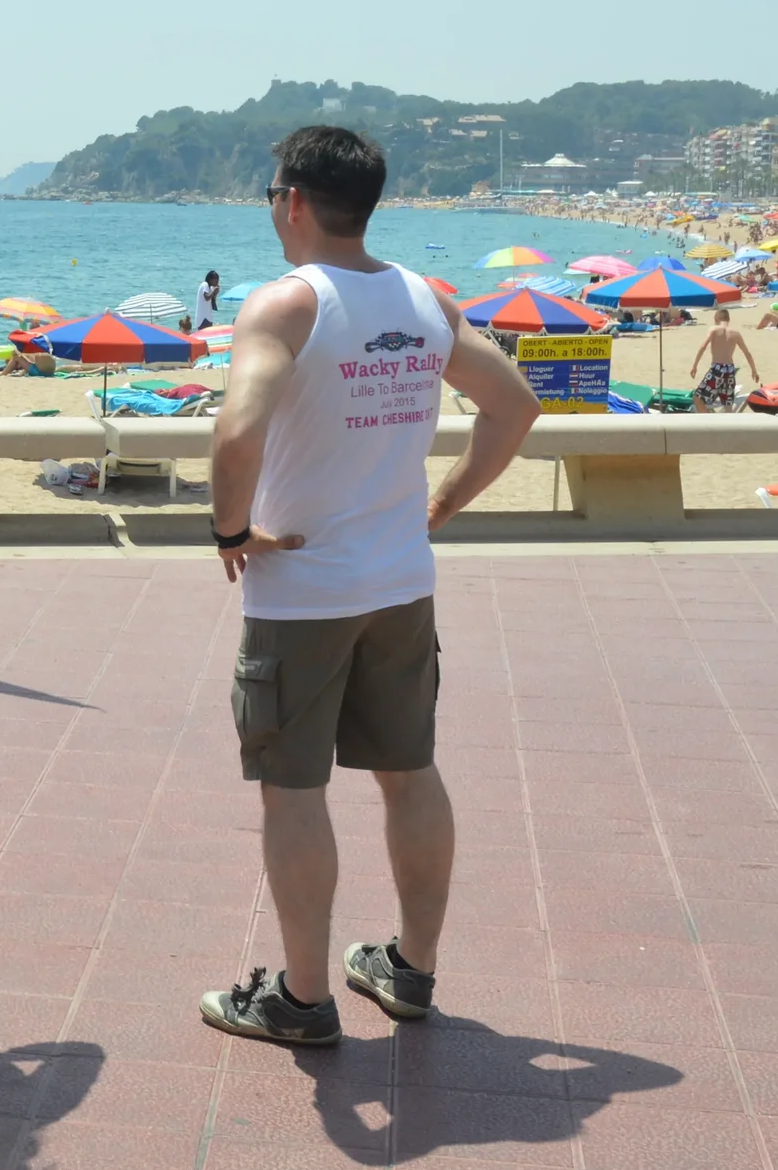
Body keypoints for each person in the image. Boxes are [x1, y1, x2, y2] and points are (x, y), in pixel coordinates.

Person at [201, 125, 538, 1048]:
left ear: (295, 201)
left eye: (272, 193)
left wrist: (230, 530)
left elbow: (235, 434)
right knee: (409, 773)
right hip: (399, 580)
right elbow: (515, 404)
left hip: (303, 588)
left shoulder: (285, 305)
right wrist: (448, 500)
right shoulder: (425, 299)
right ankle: (411, 970)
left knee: (294, 792)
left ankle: (302, 1001)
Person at [687, 306, 759, 410]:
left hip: (717, 368)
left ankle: (707, 424)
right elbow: (747, 353)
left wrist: (694, 366)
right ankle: (728, 425)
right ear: (728, 319)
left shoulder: (714, 329)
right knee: (727, 404)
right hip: (730, 370)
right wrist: (754, 371)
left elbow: (703, 347)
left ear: (717, 318)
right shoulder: (736, 333)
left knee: (697, 398)